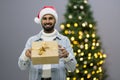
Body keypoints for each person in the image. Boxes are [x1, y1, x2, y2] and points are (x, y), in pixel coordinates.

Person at [18, 6, 77, 80]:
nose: (47, 21)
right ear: (41, 21)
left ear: (55, 20)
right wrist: (25, 55)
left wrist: (67, 56)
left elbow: (72, 68)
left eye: (50, 18)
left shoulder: (64, 40)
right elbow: (22, 67)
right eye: (44, 18)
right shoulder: (32, 40)